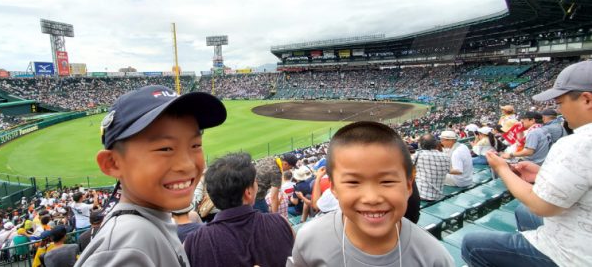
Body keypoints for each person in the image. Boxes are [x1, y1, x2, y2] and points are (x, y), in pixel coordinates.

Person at [75, 85, 226, 266]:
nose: (186, 165)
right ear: (113, 163)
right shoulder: (127, 246)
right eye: (165, 149)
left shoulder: (147, 224)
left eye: (195, 145)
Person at [462, 60, 592, 266]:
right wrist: (541, 175)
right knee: (522, 211)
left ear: (586, 99)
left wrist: (502, 169)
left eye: (560, 103)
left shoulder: (579, 143)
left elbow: (542, 207)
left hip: (573, 256)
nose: (559, 110)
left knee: (471, 243)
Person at [288, 121, 453, 266]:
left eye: (387, 181)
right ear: (334, 188)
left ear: (409, 186)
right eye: (353, 182)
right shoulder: (309, 240)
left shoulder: (434, 258)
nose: (372, 198)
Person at [184, 152, 294, 267]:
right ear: (249, 192)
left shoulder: (192, 243)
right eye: (254, 182)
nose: (257, 184)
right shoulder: (281, 223)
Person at [413, 134, 450, 201]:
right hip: (438, 195)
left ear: (421, 144)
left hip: (421, 194)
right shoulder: (446, 156)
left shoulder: (419, 154)